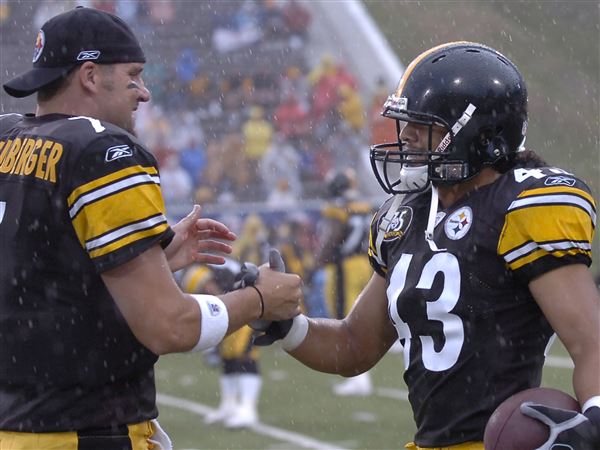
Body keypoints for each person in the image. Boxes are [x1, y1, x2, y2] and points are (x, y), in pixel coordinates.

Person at [252, 42, 600, 449]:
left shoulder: (521, 207)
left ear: (479, 133)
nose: (407, 135)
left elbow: (590, 342)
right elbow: (353, 345)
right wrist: (286, 324)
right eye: (406, 122)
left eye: (424, 123)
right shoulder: (406, 216)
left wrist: (595, 417)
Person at [0, 7, 302, 450]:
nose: (143, 93)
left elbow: (39, 273)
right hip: (83, 430)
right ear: (89, 75)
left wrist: (148, 260)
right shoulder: (104, 150)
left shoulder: (8, 136)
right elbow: (169, 326)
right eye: (132, 75)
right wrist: (259, 300)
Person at [181, 259, 263, 429]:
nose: (205, 293)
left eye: (202, 289)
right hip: (234, 311)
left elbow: (248, 292)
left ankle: (249, 408)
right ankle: (229, 405)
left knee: (245, 356)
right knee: (228, 357)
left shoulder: (226, 277)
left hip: (248, 309)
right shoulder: (217, 273)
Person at [314, 169, 374, 396]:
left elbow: (333, 236)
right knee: (358, 316)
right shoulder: (363, 204)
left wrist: (317, 262)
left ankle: (359, 377)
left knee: (344, 319)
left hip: (345, 266)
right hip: (365, 263)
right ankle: (360, 375)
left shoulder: (337, 207)